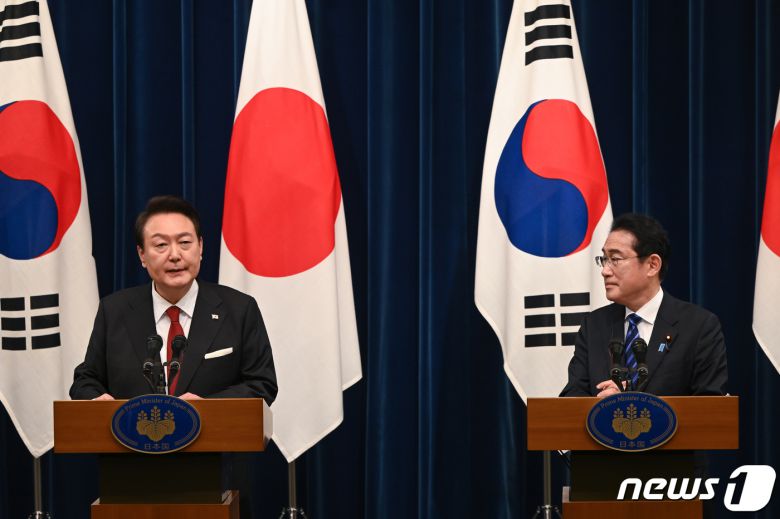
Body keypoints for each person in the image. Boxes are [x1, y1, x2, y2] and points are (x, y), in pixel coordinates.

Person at [70, 195, 277, 402]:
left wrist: (208, 408)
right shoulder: (114, 310)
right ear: (142, 254)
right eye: (161, 245)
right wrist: (98, 400)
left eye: (185, 242)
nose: (175, 255)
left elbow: (262, 384)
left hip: (214, 424)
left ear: (200, 247)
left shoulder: (239, 309)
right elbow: (85, 380)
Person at [560, 213, 727, 397]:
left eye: (615, 259)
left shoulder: (698, 327)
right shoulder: (594, 326)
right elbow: (571, 399)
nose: (605, 271)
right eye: (604, 259)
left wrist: (633, 404)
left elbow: (710, 406)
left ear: (652, 265)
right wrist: (605, 405)